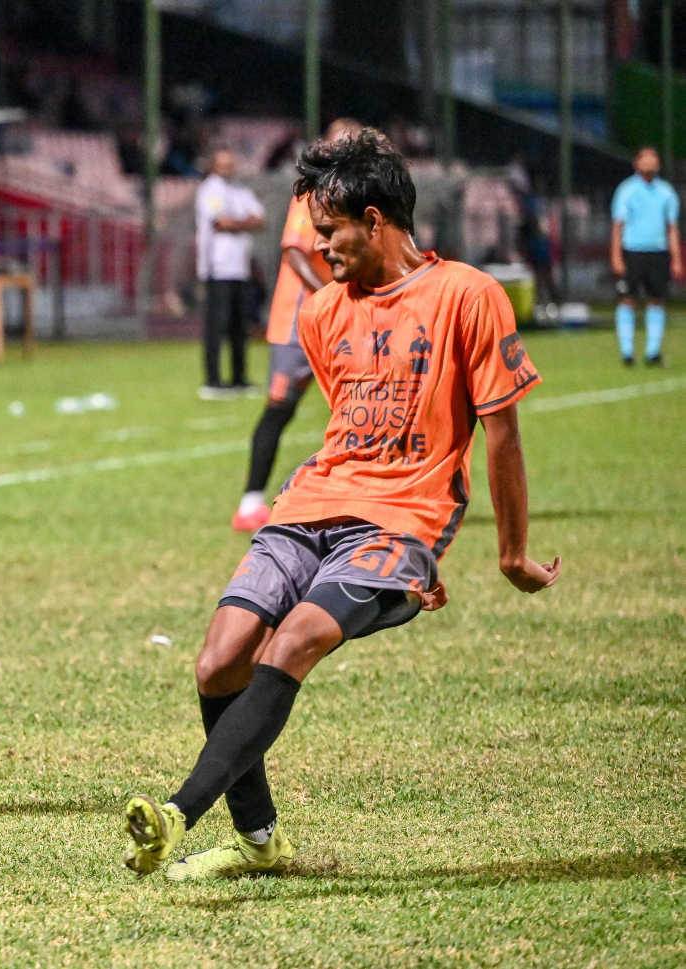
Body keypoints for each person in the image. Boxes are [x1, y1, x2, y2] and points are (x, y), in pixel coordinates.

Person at [121, 130, 560, 882]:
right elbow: (348, 425)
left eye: (328, 231)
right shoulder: (323, 312)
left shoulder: (468, 295)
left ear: (375, 220)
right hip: (308, 509)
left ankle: (176, 812)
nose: (316, 247)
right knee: (218, 661)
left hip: (400, 522)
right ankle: (258, 842)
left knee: (291, 642)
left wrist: (510, 552)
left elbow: (502, 434)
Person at [233, 119, 361, 532]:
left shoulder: (356, 195)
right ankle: (250, 502)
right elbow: (295, 253)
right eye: (341, 142)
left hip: (341, 321)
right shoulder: (312, 192)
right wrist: (330, 296)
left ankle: (355, 500)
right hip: (298, 321)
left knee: (359, 407)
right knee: (280, 407)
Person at [196, 148, 265, 398]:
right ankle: (213, 380)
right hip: (218, 266)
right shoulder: (210, 190)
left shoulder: (240, 191)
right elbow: (220, 222)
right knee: (217, 325)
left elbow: (260, 219)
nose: (228, 168)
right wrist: (244, 222)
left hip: (240, 267)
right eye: (223, 164)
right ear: (213, 165)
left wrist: (237, 223)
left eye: (230, 163)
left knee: (239, 325)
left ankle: (239, 378)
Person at [610, 146, 682, 366]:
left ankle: (653, 352)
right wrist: (616, 256)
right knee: (627, 299)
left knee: (656, 300)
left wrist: (677, 259)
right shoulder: (626, 190)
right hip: (632, 252)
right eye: (645, 158)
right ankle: (627, 352)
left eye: (653, 159)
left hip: (658, 252)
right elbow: (618, 225)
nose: (650, 163)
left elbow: (672, 227)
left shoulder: (666, 192)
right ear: (636, 163)